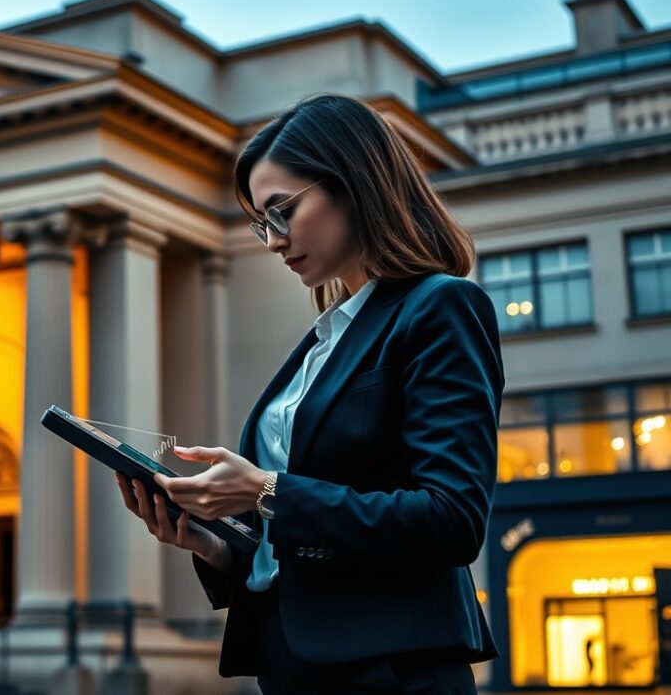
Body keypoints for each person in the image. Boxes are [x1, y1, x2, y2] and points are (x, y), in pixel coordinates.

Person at [113, 93, 502, 694]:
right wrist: (214, 543)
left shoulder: (439, 307)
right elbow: (297, 546)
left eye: (282, 211)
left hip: (392, 672)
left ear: (353, 182)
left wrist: (265, 489)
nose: (272, 240)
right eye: (262, 222)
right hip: (290, 664)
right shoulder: (322, 343)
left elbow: (452, 520)